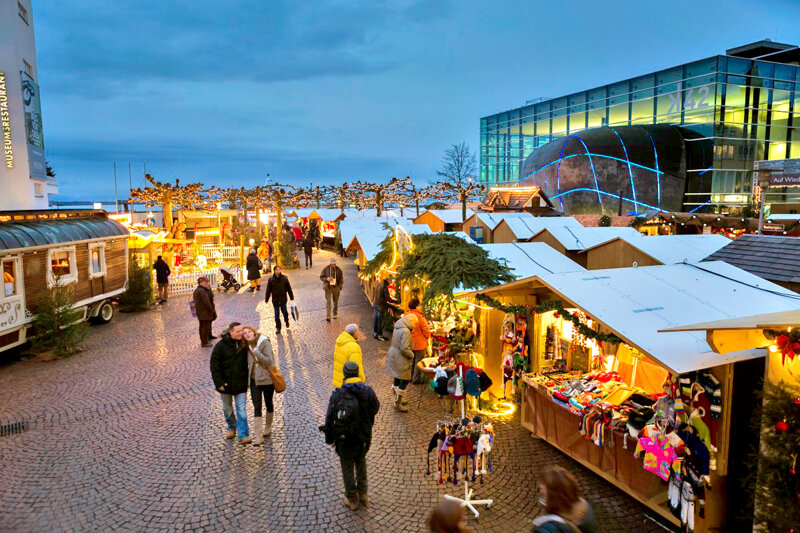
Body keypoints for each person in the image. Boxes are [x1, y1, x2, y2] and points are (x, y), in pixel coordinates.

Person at [321, 361, 380, 511]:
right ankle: (363, 494)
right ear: (357, 372)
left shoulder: (338, 394)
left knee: (347, 467)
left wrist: (329, 438)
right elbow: (376, 408)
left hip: (344, 438)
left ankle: (352, 499)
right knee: (361, 462)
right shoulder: (367, 391)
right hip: (363, 437)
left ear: (345, 374)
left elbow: (329, 417)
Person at [209, 322, 252, 445]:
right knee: (227, 410)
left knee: (242, 410)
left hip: (241, 384)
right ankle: (232, 426)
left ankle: (243, 435)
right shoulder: (220, 346)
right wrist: (219, 383)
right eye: (238, 331)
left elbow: (255, 342)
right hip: (225, 385)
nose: (241, 333)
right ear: (230, 332)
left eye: (241, 331)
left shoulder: (243, 344)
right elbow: (214, 366)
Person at [531, 466, 597, 533]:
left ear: (553, 497)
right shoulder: (586, 507)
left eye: (543, 492)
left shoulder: (547, 527)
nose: (541, 493)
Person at [242, 326, 276, 445]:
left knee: (268, 403)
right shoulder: (245, 346)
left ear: (254, 332)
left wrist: (257, 352)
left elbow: (269, 361)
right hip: (254, 381)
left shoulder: (264, 342)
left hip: (266, 379)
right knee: (257, 406)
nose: (247, 334)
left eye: (249, 332)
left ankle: (268, 427)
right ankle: (258, 437)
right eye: (244, 333)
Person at [384, 313, 415, 412]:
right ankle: (397, 402)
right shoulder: (406, 331)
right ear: (411, 321)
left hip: (394, 354)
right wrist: (412, 355)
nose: (415, 325)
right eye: (415, 323)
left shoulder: (398, 326)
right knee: (405, 379)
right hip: (400, 357)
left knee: (397, 377)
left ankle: (397, 397)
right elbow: (404, 348)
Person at [405, 298, 431, 384]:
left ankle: (409, 378)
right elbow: (426, 330)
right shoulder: (420, 317)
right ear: (417, 306)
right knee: (418, 361)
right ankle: (415, 379)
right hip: (419, 344)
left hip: (409, 342)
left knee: (411, 361)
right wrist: (427, 337)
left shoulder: (406, 316)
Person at [333, 324, 366, 388]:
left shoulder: (339, 342)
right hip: (349, 384)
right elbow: (356, 366)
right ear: (355, 333)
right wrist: (362, 380)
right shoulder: (354, 347)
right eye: (358, 331)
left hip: (339, 380)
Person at [264, 265, 294, 334]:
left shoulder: (285, 278)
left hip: (283, 299)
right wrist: (266, 298)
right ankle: (278, 328)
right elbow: (268, 290)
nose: (278, 271)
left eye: (279, 269)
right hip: (275, 300)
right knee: (276, 315)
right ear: (274, 271)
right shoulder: (271, 280)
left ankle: (286, 321)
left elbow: (289, 288)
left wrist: (291, 297)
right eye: (277, 270)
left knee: (285, 312)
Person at [193, 276, 217, 347]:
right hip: (204, 311)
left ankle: (209, 336)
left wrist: (209, 289)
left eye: (208, 282)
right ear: (201, 282)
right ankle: (204, 342)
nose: (207, 283)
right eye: (206, 282)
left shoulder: (204, 289)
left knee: (207, 324)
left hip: (204, 311)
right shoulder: (201, 291)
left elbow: (210, 297)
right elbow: (206, 302)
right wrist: (211, 310)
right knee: (204, 326)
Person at [320, 257, 344, 322]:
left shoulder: (339, 270)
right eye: (332, 263)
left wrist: (339, 287)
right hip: (328, 288)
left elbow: (341, 279)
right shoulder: (326, 269)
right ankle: (328, 316)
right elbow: (321, 277)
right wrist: (326, 279)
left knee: (335, 302)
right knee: (328, 302)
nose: (334, 264)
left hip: (336, 288)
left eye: (334, 263)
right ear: (330, 264)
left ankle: (335, 314)